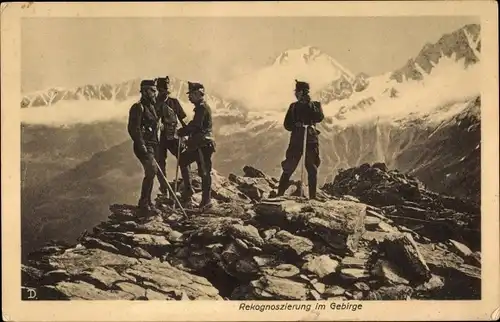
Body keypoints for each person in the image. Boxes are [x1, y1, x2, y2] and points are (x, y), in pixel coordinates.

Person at [276, 80, 324, 199]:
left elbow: (319, 118)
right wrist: (295, 125)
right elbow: (287, 125)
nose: (295, 94)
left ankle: (312, 197)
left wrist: (309, 105)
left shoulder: (315, 105)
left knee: (312, 168)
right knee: (289, 166)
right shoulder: (293, 107)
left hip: (310, 141)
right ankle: (279, 194)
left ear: (302, 92)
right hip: (297, 141)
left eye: (297, 92)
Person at [177, 81, 216, 210]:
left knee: (204, 172)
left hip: (203, 145)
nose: (189, 97)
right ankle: (189, 191)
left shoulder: (202, 108)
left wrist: (183, 131)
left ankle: (206, 201)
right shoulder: (201, 107)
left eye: (191, 94)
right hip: (198, 144)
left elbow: (196, 125)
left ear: (198, 94)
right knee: (184, 161)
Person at [127, 79, 161, 213]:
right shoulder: (138, 107)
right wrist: (141, 145)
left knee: (151, 172)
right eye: (152, 91)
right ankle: (143, 203)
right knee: (152, 170)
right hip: (144, 145)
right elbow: (133, 128)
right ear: (145, 91)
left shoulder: (152, 107)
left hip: (153, 144)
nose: (154, 93)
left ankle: (148, 202)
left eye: (155, 90)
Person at [154, 76, 188, 195]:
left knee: (184, 159)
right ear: (158, 90)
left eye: (167, 91)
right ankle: (165, 190)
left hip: (174, 137)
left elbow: (183, 119)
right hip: (158, 139)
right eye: (162, 91)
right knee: (159, 164)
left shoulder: (174, 102)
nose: (165, 93)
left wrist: (186, 134)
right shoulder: (153, 104)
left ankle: (188, 189)